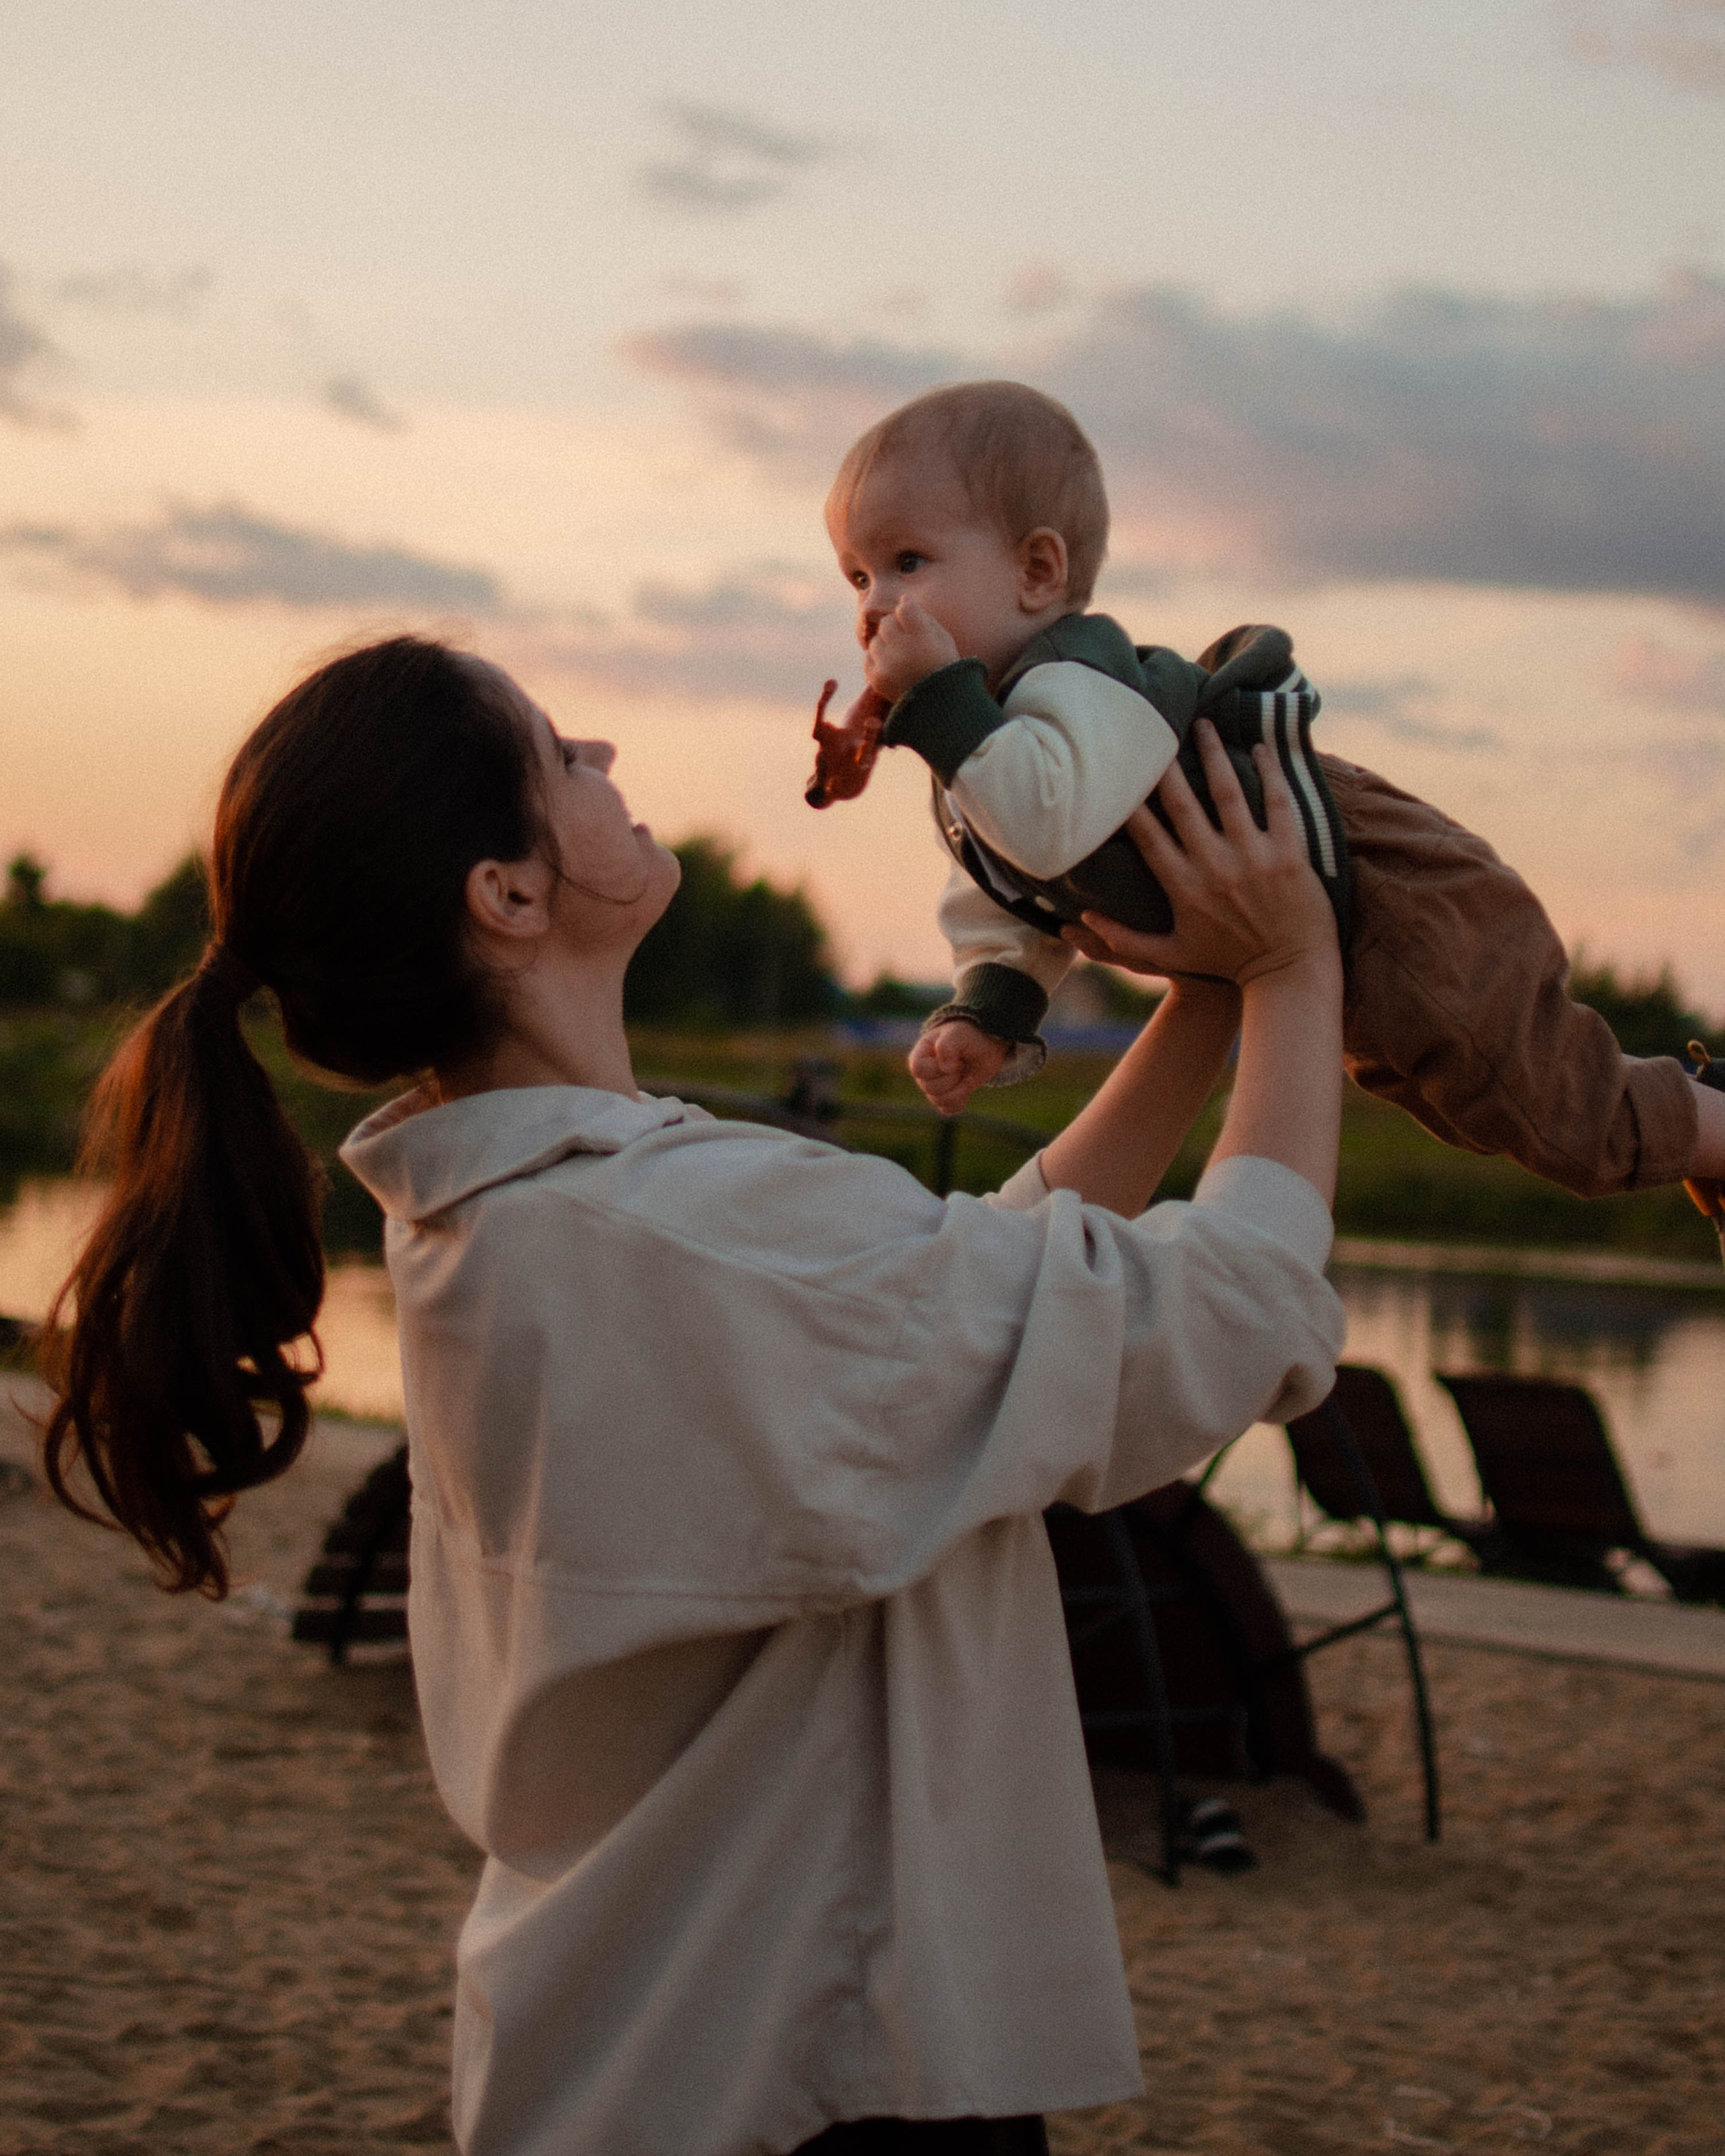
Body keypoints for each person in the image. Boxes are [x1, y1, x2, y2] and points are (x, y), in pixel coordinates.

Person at [42, 635, 1345, 2156]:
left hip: (641, 2044)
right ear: (506, 895)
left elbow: (963, 1288)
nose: (599, 754)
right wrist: (1295, 964)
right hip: (811, 2065)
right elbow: (1226, 1315)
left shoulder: (511, 1216)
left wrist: (1202, 1000)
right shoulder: (674, 1229)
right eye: (554, 754)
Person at [808, 379, 1725, 1229]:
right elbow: (1015, 891)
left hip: (1389, 885)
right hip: (1296, 930)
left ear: (1038, 572)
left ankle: (1717, 1119)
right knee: (1464, 1108)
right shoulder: (982, 745)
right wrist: (989, 1010)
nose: (874, 605)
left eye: (908, 563)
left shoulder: (1084, 681)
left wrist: (940, 710)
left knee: (1562, 1118)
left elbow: (1052, 818)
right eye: (857, 577)